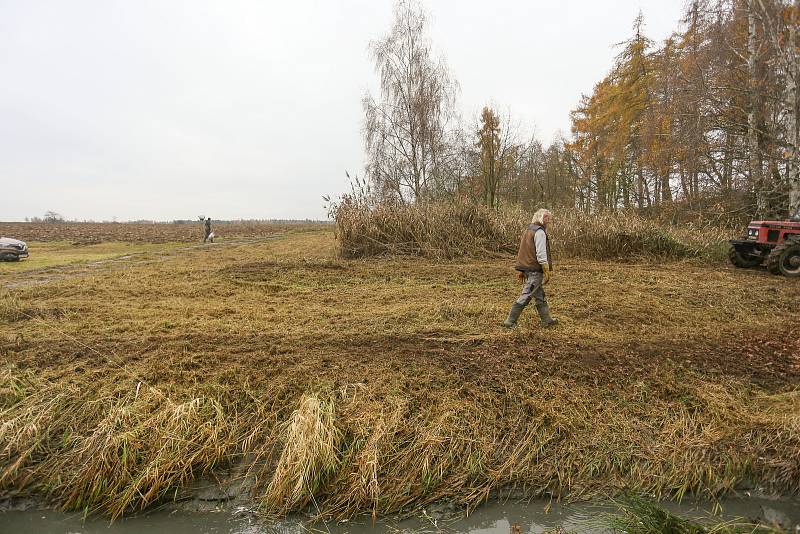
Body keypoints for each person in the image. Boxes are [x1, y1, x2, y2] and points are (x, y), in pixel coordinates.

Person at [503, 208, 558, 328]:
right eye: (547, 217)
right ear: (541, 218)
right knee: (527, 294)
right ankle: (510, 321)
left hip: (528, 268)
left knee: (539, 294)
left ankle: (547, 320)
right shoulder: (540, 232)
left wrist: (522, 270)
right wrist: (546, 269)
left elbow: (524, 251)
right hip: (534, 269)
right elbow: (541, 253)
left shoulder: (529, 229)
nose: (549, 220)